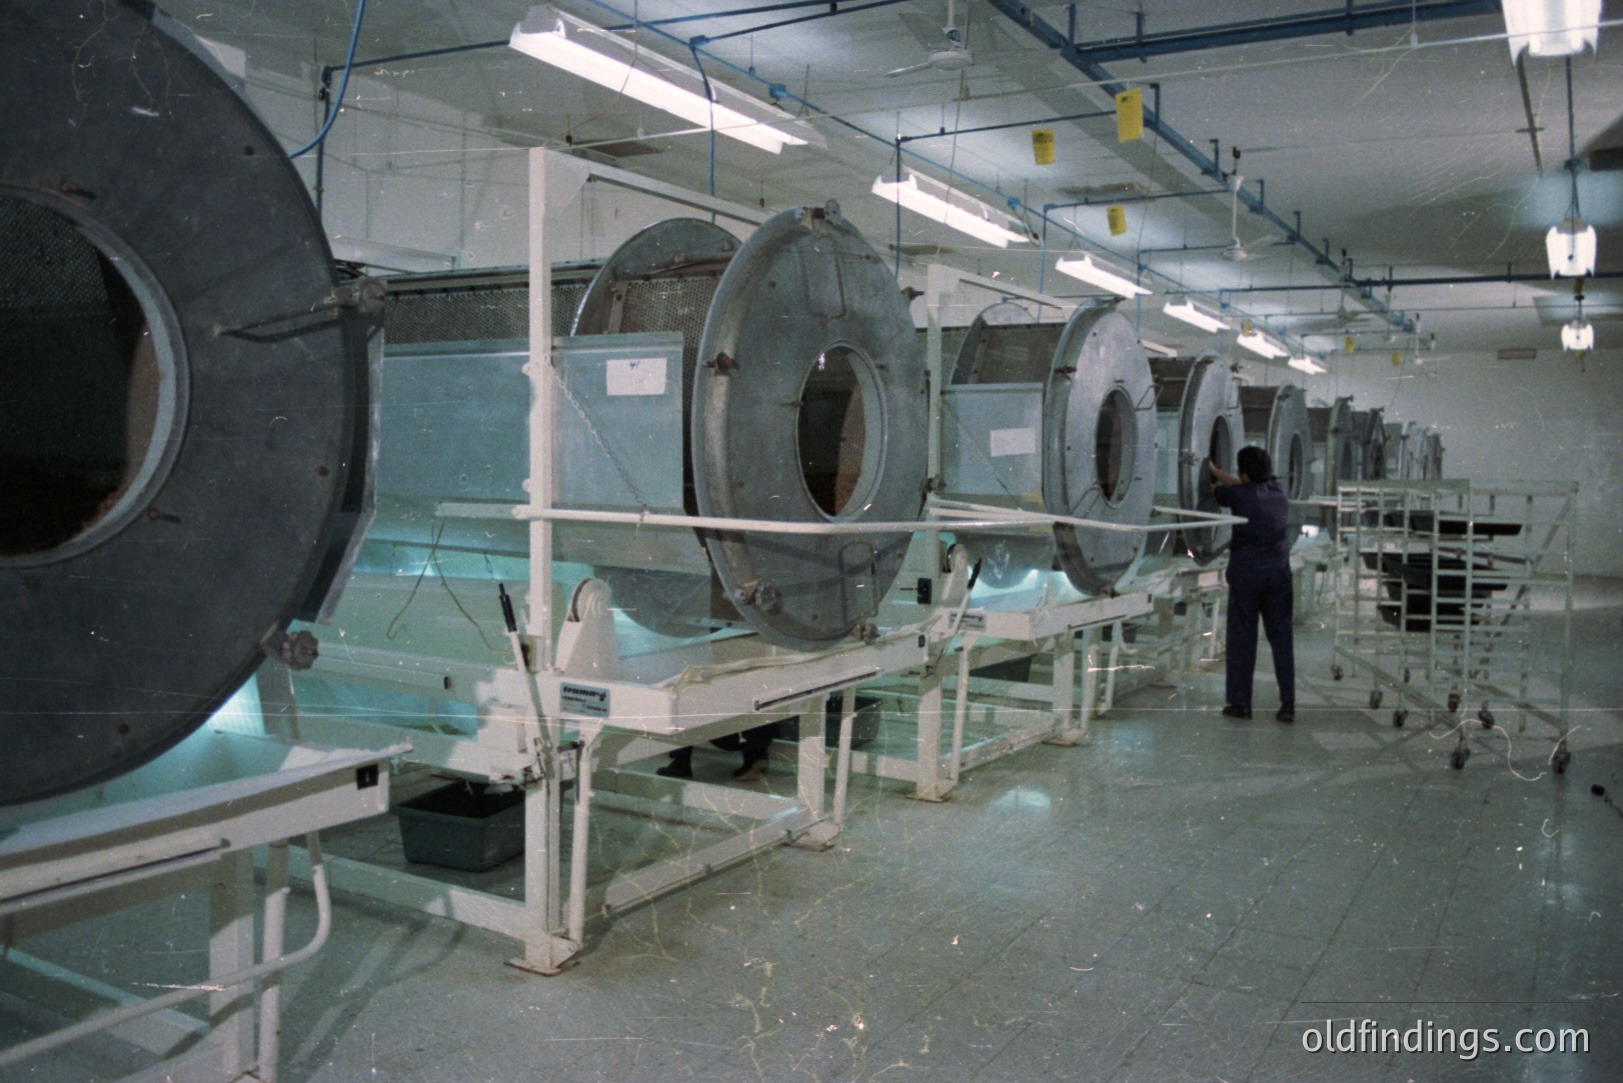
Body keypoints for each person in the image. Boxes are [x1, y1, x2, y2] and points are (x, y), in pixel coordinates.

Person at [1209, 446, 1295, 723]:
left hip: (1247, 576)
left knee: (1242, 640)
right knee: (1281, 639)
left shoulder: (1237, 495)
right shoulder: (1279, 491)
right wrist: (1224, 473)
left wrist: (1211, 472)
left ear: (1243, 473)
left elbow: (1218, 491)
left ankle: (1240, 704)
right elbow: (1245, 486)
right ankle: (1288, 704)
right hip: (1278, 574)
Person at [656, 722, 776, 781]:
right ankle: (756, 756)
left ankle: (681, 763)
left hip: (730, 738)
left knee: (686, 702)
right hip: (765, 735)